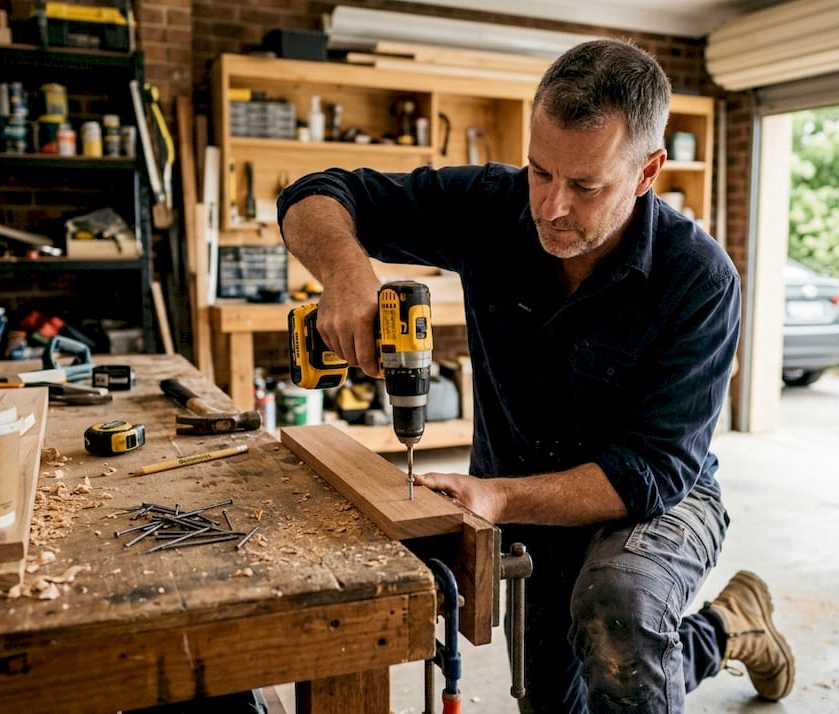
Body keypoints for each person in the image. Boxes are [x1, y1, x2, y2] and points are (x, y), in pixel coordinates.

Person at [277, 38, 794, 712]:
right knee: (555, 699)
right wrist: (348, 273)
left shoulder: (697, 278)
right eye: (539, 171)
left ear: (647, 172)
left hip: (661, 495)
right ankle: (731, 627)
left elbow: (652, 470)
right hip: (520, 491)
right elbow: (315, 195)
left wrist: (497, 498)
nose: (551, 206)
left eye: (584, 186)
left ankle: (701, 627)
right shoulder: (494, 205)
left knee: (617, 609)